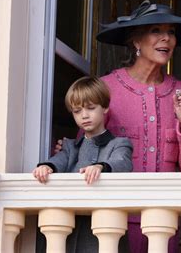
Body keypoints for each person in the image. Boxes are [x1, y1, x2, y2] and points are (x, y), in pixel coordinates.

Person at [94, 0, 181, 253]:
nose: (166, 39)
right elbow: (87, 152)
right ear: (136, 41)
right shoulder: (106, 88)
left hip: (163, 220)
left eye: (171, 32)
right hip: (115, 219)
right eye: (156, 31)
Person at [33, 76, 133, 252]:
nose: (84, 115)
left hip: (103, 227)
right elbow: (59, 160)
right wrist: (46, 166)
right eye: (77, 111)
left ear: (105, 107)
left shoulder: (119, 143)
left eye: (91, 108)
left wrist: (101, 166)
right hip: (69, 226)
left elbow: (122, 162)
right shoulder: (71, 146)